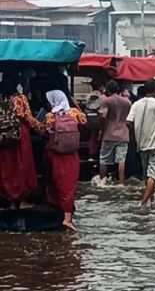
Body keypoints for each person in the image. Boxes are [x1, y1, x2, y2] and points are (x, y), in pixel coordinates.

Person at [0, 72, 45, 209]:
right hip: (20, 135)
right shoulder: (20, 98)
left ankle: (9, 200)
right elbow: (28, 118)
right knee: (22, 167)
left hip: (3, 136)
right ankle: (21, 201)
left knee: (6, 168)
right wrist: (42, 128)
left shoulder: (1, 98)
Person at [44, 90, 86, 232]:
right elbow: (85, 121)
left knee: (57, 182)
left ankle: (60, 212)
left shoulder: (50, 116)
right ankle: (67, 218)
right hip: (72, 156)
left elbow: (45, 130)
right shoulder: (74, 113)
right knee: (69, 186)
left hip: (56, 155)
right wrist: (76, 105)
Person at [126, 79, 155, 207]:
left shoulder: (136, 104)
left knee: (147, 175)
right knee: (153, 174)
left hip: (142, 144)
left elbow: (128, 121)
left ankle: (151, 200)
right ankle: (144, 202)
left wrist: (134, 133)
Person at [97, 80, 131, 186]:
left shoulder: (107, 101)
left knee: (104, 159)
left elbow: (103, 116)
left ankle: (102, 182)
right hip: (123, 134)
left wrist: (101, 129)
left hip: (109, 134)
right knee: (121, 160)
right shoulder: (127, 102)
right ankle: (121, 182)